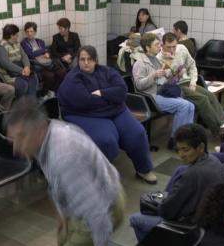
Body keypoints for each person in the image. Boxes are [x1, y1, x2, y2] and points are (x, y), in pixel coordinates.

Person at [6, 99, 124, 246]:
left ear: (37, 130)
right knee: (64, 243)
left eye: (21, 138)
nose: (16, 148)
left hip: (105, 207)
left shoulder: (63, 153)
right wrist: (62, 213)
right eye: (13, 139)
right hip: (94, 196)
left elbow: (95, 209)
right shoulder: (49, 134)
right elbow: (56, 181)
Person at [58, 45, 157, 184]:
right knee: (106, 141)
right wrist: (112, 98)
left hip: (115, 111)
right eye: (82, 59)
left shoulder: (106, 71)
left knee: (137, 134)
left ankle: (144, 169)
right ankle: (97, 178)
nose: (86, 63)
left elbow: (122, 90)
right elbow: (86, 102)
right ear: (77, 61)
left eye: (90, 59)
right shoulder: (73, 78)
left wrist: (102, 93)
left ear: (96, 60)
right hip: (85, 114)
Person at [129, 124, 224, 241]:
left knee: (135, 219)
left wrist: (160, 206)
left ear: (200, 147)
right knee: (180, 170)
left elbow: (166, 213)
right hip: (210, 223)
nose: (181, 155)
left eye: (185, 149)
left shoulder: (191, 175)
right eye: (178, 149)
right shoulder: (214, 160)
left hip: (191, 229)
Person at [158, 32, 224, 136]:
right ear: (162, 45)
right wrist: (171, 63)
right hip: (174, 86)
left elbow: (192, 65)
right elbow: (163, 83)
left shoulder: (181, 49)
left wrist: (193, 82)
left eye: (174, 46)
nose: (172, 50)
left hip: (186, 81)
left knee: (210, 96)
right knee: (203, 99)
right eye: (169, 47)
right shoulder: (159, 58)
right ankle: (217, 130)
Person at [132, 33, 196, 140]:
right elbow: (139, 85)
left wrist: (177, 72)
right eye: (156, 44)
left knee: (191, 106)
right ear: (147, 47)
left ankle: (186, 138)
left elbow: (165, 79)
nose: (160, 46)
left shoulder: (156, 60)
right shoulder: (140, 63)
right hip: (151, 97)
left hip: (162, 92)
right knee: (184, 106)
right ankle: (176, 139)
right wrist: (153, 76)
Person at [20, 21, 66, 97]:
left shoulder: (40, 41)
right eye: (27, 31)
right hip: (37, 67)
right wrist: (43, 50)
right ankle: (43, 95)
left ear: (35, 32)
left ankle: (53, 90)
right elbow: (30, 54)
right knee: (50, 76)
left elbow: (47, 50)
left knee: (62, 72)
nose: (29, 33)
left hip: (47, 64)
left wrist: (47, 53)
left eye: (31, 31)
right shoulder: (24, 43)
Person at [0, 24, 39, 99]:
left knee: (33, 78)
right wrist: (22, 70)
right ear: (12, 35)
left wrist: (27, 67)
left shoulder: (17, 43)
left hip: (21, 71)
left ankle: (31, 101)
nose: (18, 36)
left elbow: (24, 55)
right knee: (22, 85)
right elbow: (6, 64)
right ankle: (20, 103)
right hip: (8, 74)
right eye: (16, 34)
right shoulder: (1, 46)